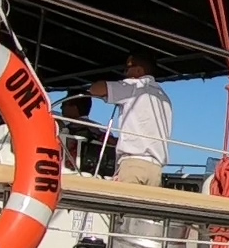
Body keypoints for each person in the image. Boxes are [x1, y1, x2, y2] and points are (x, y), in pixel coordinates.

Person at [90, 53, 172, 187]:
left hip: (133, 164)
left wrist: (114, 82)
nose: (125, 73)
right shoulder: (164, 98)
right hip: (156, 169)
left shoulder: (134, 86)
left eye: (127, 68)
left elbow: (96, 89)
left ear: (139, 70)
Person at [58, 94, 112, 176]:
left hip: (67, 170)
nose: (61, 108)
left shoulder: (61, 125)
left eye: (64, 105)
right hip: (97, 172)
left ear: (74, 107)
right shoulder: (105, 130)